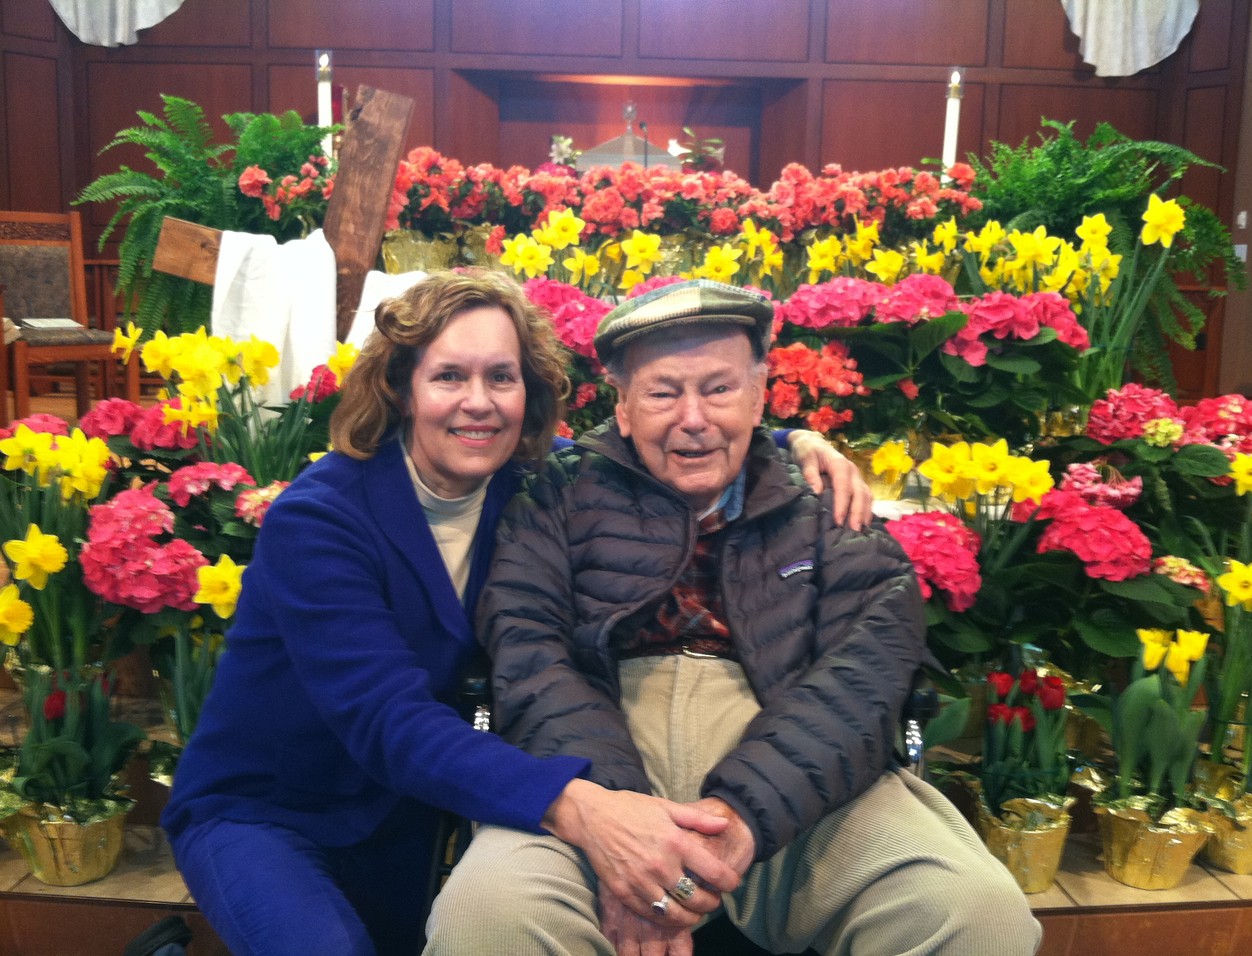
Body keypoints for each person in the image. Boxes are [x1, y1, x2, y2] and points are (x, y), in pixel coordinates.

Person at [160, 269, 870, 956]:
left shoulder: (528, 481)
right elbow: (386, 721)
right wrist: (581, 806)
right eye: (449, 377)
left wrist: (788, 444)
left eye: (501, 377)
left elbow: (655, 446)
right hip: (272, 811)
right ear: (402, 388)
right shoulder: (320, 521)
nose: (479, 402)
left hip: (411, 807)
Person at [426, 279, 1043, 956]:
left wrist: (741, 816)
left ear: (757, 397)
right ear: (623, 408)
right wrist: (622, 831)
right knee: (486, 920)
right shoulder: (553, 499)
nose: (693, 418)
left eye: (718, 389)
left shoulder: (828, 507)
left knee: (974, 916)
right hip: (597, 766)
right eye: (663, 392)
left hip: (795, 774)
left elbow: (862, 680)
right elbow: (528, 655)